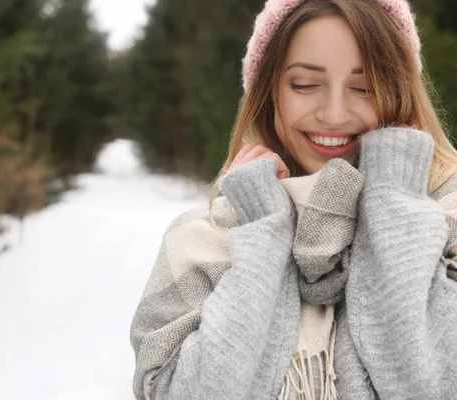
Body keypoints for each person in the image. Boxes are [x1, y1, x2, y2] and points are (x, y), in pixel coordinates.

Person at [130, 0, 457, 399]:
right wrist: (263, 235)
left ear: (400, 93)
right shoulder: (203, 240)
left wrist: (393, 204)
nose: (335, 115)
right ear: (269, 94)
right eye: (305, 84)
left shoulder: (447, 220)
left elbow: (435, 383)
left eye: (364, 88)